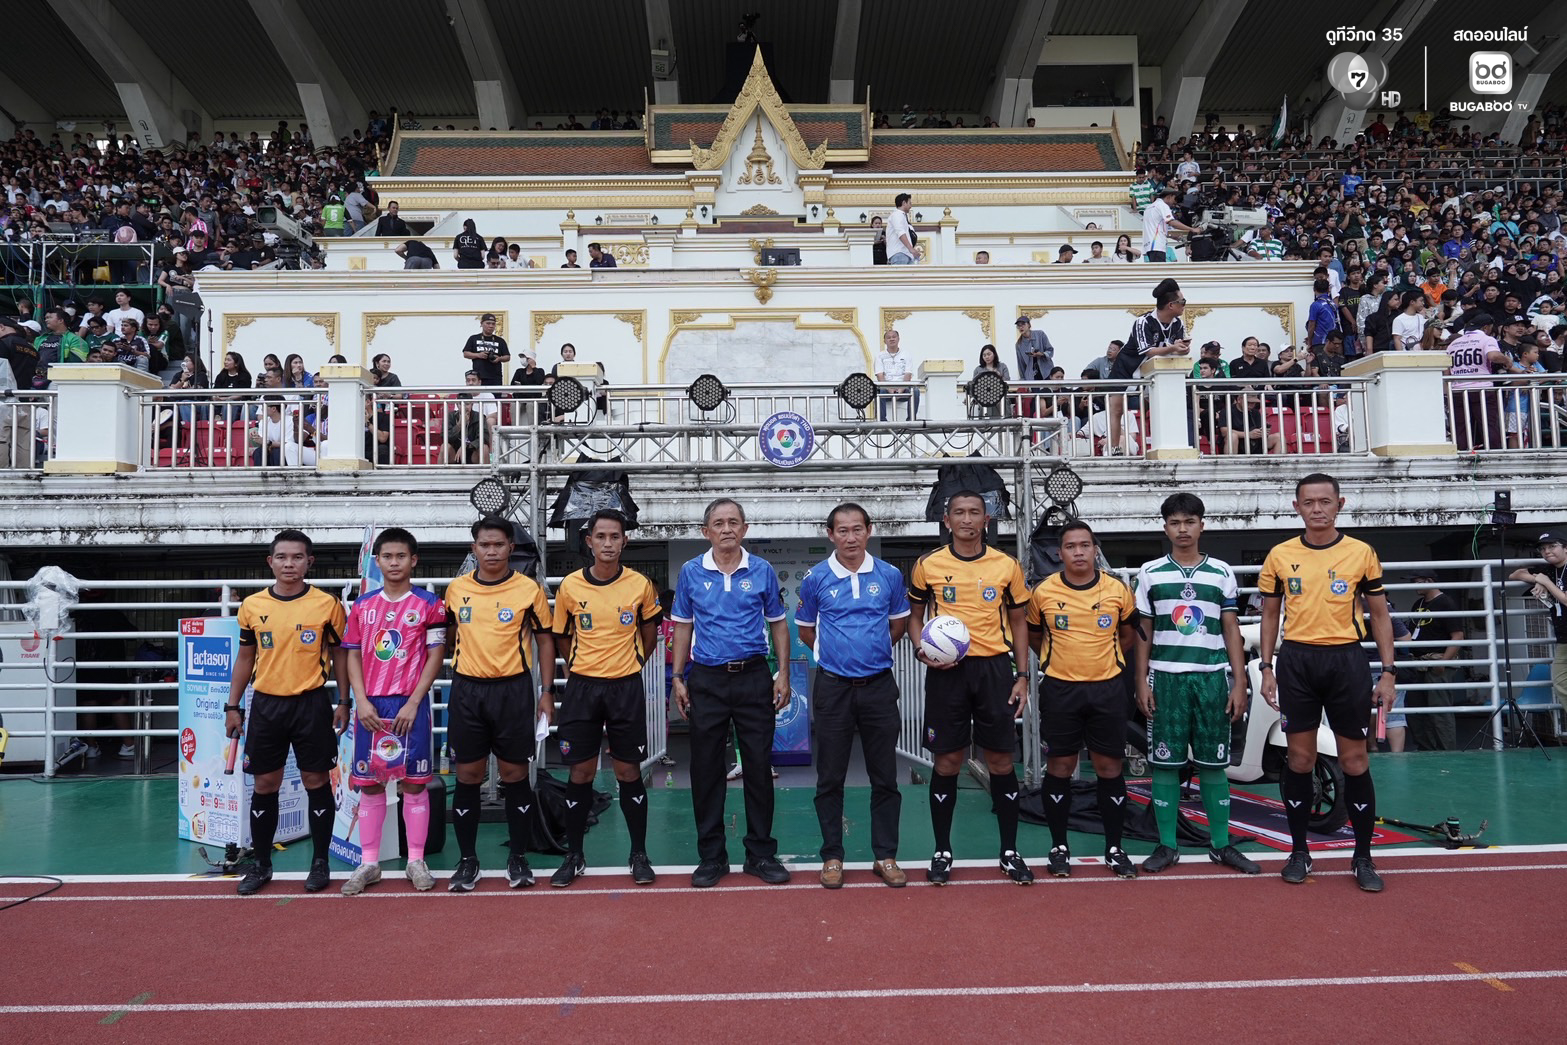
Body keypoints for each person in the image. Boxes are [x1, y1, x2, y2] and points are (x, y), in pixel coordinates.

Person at [1257, 473, 1397, 892]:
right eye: (1309, 502)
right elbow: (1270, 614)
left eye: (1325, 501)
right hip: (1297, 662)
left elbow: (1380, 614)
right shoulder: (1281, 554)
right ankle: (1299, 851)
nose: (1317, 509)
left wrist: (1388, 672)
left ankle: (1363, 856)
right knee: (1300, 759)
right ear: (1296, 507)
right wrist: (1266, 667)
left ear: (1340, 504)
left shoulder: (1361, 552)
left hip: (1346, 661)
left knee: (1354, 761)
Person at [906, 491, 1033, 885]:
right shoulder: (928, 565)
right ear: (946, 521)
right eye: (958, 513)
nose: (966, 519)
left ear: (986, 520)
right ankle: (942, 851)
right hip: (947, 673)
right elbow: (914, 618)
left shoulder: (1006, 565)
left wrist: (1022, 675)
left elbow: (1019, 622)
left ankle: (1009, 852)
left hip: (994, 670)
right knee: (947, 761)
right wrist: (921, 650)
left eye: (974, 512)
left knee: (1000, 761)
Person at [1132, 494, 1261, 875]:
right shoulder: (1150, 572)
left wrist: (1239, 681)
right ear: (1165, 528)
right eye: (1175, 522)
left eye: (1189, 522)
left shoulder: (1220, 572)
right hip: (1165, 678)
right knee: (1164, 764)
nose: (1183, 529)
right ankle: (1167, 845)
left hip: (1211, 677)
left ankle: (1220, 845)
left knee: (1213, 764)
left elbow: (1231, 628)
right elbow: (1143, 630)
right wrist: (1141, 680)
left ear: (1202, 525)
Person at [669, 498, 792, 888]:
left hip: (753, 676)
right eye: (719, 523)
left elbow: (778, 624)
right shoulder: (691, 572)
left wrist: (783, 673)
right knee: (706, 770)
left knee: (758, 766)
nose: (726, 529)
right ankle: (712, 857)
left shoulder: (762, 570)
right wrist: (678, 677)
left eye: (734, 522)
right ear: (706, 531)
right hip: (706, 679)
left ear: (745, 529)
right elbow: (683, 626)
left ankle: (760, 854)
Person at [225, 529, 349, 895]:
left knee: (316, 781)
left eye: (297, 557)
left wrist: (344, 701)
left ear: (309, 562)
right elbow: (245, 658)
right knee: (265, 784)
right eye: (282, 557)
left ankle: (320, 862)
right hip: (266, 705)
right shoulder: (252, 606)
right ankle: (261, 864)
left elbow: (340, 655)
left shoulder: (327, 605)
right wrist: (233, 706)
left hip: (311, 704)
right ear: (270, 562)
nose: (289, 564)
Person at [796, 503, 912, 888]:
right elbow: (806, 630)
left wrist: (870, 652)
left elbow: (898, 625)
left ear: (869, 531)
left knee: (885, 776)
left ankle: (886, 856)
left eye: (857, 529)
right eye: (842, 531)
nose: (850, 537)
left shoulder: (889, 575)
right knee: (830, 777)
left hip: (879, 687)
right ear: (830, 534)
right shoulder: (815, 578)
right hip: (833, 689)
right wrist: (836, 656)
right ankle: (832, 857)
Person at [548, 510, 662, 888]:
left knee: (628, 772)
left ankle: (639, 854)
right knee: (580, 772)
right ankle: (575, 855)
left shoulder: (640, 585)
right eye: (601, 537)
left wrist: (635, 663)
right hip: (583, 688)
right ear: (589, 541)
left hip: (625, 688)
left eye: (615, 536)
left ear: (624, 541)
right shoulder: (570, 586)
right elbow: (561, 635)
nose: (608, 543)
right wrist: (576, 667)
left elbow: (649, 632)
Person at [442, 517, 556, 891]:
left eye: (498, 545)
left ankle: (518, 858)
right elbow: (449, 636)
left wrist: (547, 691)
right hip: (467, 691)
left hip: (513, 691)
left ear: (510, 548)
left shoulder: (528, 589)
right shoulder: (457, 589)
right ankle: (468, 861)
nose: (491, 551)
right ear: (473, 549)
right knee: (467, 776)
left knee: (514, 775)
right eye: (484, 545)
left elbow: (544, 640)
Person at [1024, 521, 1140, 878]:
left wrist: (1102, 664)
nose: (1078, 552)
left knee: (1109, 768)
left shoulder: (1117, 590)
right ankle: (1059, 847)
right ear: (1060, 553)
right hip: (1061, 690)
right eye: (1071, 546)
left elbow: (1128, 636)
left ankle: (1114, 848)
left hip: (1107, 690)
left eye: (1085, 545)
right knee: (1060, 767)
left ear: (1095, 550)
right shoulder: (1043, 592)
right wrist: (1058, 662)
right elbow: (1034, 637)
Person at [340, 528, 448, 894]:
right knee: (370, 786)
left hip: (410, 705)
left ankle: (415, 860)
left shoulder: (430, 604)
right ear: (378, 561)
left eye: (401, 556)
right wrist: (361, 700)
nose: (394, 562)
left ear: (413, 560)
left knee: (415, 784)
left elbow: (436, 655)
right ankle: (369, 863)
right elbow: (352, 655)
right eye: (387, 556)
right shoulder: (362, 606)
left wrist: (415, 701)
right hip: (371, 705)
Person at [1109, 279, 1191, 455]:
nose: (1184, 305)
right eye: (1182, 302)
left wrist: (1183, 349)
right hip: (1127, 367)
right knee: (1116, 409)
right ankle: (1115, 449)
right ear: (1171, 305)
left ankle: (1164, 445)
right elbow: (1147, 350)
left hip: (1156, 370)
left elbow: (1176, 347)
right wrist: (1173, 348)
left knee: (1160, 407)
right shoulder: (1143, 321)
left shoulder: (1177, 323)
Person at [1509, 532, 1567, 732]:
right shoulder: (1550, 570)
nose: (1547, 551)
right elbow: (1515, 574)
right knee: (1560, 682)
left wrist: (1546, 583)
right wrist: (1538, 580)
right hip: (1564, 638)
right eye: (1543, 549)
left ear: (1565, 548)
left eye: (1552, 546)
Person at [1404, 571, 1464, 751]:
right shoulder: (1418, 604)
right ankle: (1426, 749)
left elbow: (1458, 636)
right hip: (1418, 662)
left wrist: (1443, 661)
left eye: (1417, 582)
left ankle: (1446, 751)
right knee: (1416, 710)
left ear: (1429, 581)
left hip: (1436, 660)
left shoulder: (1445, 603)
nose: (1413, 586)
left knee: (1439, 710)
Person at [1142, 185, 1199, 262]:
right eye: (1174, 198)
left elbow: (1155, 228)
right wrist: (1192, 229)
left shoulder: (1149, 208)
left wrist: (1170, 235)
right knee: (1160, 269)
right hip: (1157, 245)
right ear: (1169, 196)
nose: (1175, 202)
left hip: (1149, 245)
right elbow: (1172, 223)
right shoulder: (1162, 205)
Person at [875, 328, 918, 420]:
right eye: (888, 337)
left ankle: (911, 420)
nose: (892, 339)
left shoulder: (906, 354)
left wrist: (900, 390)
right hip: (886, 389)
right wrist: (890, 389)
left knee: (915, 391)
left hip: (903, 388)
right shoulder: (880, 356)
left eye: (894, 337)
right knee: (879, 391)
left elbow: (908, 374)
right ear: (885, 341)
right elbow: (880, 376)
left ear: (898, 339)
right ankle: (882, 421)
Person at [462, 313, 510, 385]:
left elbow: (507, 357)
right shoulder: (473, 338)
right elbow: (465, 353)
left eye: (493, 324)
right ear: (481, 324)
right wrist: (478, 355)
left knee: (496, 392)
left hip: (495, 377)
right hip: (478, 377)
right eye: (488, 323)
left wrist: (499, 358)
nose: (491, 326)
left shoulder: (500, 340)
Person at [969, 344, 1010, 418]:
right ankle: (985, 423)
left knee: (1003, 401)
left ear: (994, 354)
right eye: (984, 355)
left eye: (989, 354)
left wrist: (999, 376)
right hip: (984, 397)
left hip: (1001, 395)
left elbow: (1007, 381)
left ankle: (1006, 421)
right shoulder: (978, 369)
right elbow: (973, 386)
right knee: (985, 402)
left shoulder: (1002, 366)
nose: (986, 357)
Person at [886, 193, 917, 264]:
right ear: (904, 203)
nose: (911, 206)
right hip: (899, 253)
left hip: (906, 254)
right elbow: (900, 233)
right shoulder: (897, 215)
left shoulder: (903, 216)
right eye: (909, 203)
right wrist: (911, 249)